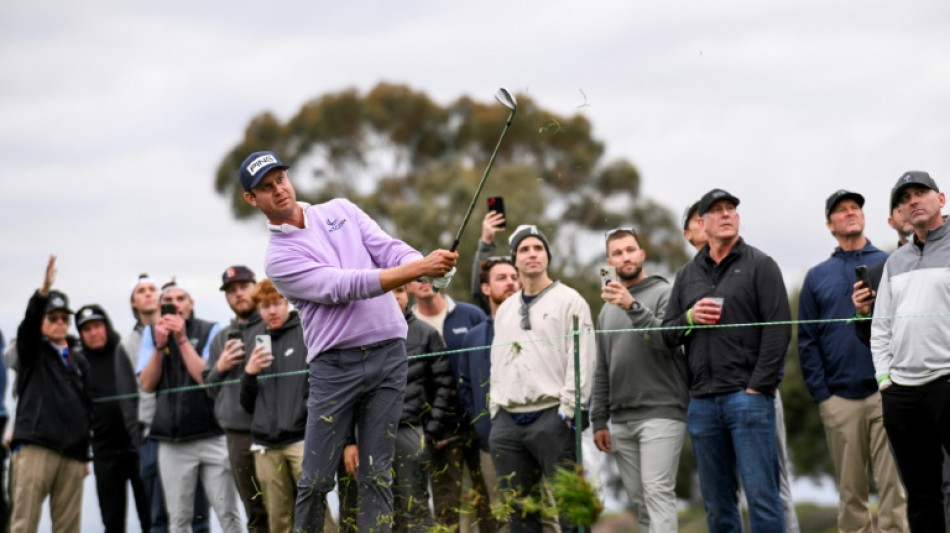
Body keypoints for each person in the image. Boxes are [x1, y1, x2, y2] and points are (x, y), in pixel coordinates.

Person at [238, 150, 457, 532]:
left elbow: (388, 248)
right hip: (335, 368)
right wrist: (419, 267)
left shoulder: (341, 209)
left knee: (377, 473)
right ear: (251, 199)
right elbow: (344, 285)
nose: (279, 190)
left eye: (280, 180)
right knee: (318, 478)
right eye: (266, 188)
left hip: (389, 354)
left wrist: (425, 267)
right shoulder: (279, 257)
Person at [663, 189, 791, 532]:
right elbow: (667, 334)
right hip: (702, 403)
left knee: (763, 499)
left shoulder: (761, 265)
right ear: (701, 224)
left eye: (731, 209)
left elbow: (778, 331)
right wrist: (689, 317)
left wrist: (758, 388)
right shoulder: (687, 276)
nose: (726, 214)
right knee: (718, 506)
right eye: (717, 210)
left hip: (746, 399)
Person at [797, 190, 907, 532]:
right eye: (841, 211)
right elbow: (807, 341)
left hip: (887, 392)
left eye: (855, 208)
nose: (850, 213)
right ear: (830, 225)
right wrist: (823, 396)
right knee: (851, 494)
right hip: (839, 399)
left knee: (895, 489)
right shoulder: (817, 276)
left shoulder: (891, 262)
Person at [489, 224, 596, 533]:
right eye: (524, 249)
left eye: (538, 248)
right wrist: (496, 411)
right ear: (515, 260)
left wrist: (569, 409)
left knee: (570, 509)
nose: (532, 254)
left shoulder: (570, 301)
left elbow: (584, 358)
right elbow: (498, 362)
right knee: (520, 515)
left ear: (547, 256)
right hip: (508, 423)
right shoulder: (506, 309)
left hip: (553, 417)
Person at [592, 228, 689, 532]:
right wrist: (598, 419)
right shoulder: (606, 311)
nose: (625, 257)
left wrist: (632, 306)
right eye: (618, 253)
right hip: (622, 420)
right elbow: (602, 367)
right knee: (642, 505)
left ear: (642, 255)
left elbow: (666, 339)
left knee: (657, 493)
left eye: (630, 249)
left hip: (661, 411)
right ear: (610, 261)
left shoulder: (666, 293)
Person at [871, 171, 950, 531]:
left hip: (946, 383)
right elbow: (880, 327)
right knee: (920, 495)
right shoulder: (894, 262)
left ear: (941, 199)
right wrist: (885, 379)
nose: (912, 201)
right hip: (901, 393)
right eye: (905, 199)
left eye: (920, 193)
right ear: (900, 214)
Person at [343, 284, 456, 532]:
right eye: (387, 291)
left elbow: (444, 384)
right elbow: (349, 394)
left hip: (411, 431)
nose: (395, 297)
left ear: (408, 295)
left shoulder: (426, 333)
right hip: (370, 436)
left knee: (416, 507)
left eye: (400, 291)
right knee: (377, 509)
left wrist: (431, 430)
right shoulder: (358, 336)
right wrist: (350, 440)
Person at [138, 280, 241, 532]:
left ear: (191, 303)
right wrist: (161, 346)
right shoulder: (151, 334)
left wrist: (182, 340)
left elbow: (206, 378)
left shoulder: (211, 330)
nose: (175, 304)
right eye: (168, 301)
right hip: (172, 443)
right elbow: (148, 384)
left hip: (212, 435)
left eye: (181, 298)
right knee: (179, 519)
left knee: (227, 512)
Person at [239, 279, 332, 533]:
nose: (271, 311)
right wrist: (249, 373)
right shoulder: (254, 341)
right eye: (265, 306)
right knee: (279, 521)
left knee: (316, 514)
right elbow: (246, 404)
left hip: (303, 441)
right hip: (265, 446)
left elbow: (323, 386)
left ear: (287, 302)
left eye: (277, 304)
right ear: (258, 309)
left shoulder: (306, 332)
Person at [9, 255, 91, 533]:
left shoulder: (78, 360)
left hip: (72, 455)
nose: (59, 322)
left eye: (63, 318)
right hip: (35, 448)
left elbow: (86, 407)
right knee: (24, 524)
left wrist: (84, 454)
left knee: (68, 529)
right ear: (43, 321)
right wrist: (43, 291)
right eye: (52, 318)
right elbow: (29, 324)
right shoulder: (32, 351)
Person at [405, 278, 493, 532]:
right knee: (447, 510)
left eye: (430, 277)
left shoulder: (471, 315)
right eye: (417, 279)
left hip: (479, 426)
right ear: (408, 286)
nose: (425, 283)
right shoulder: (405, 326)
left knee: (490, 504)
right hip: (438, 433)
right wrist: (429, 429)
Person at [125, 274, 211, 533]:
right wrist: (139, 434)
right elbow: (134, 390)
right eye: (143, 290)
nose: (149, 294)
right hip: (151, 433)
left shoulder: (191, 333)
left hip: (189, 430)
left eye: (153, 289)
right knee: (159, 513)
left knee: (195, 512)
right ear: (133, 302)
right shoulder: (133, 341)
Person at [458, 256, 523, 533]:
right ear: (485, 288)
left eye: (513, 277)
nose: (510, 282)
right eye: (501, 278)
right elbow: (465, 387)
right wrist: (482, 426)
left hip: (534, 438)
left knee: (544, 513)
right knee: (503, 519)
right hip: (491, 444)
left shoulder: (534, 326)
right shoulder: (472, 337)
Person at [203, 265, 269, 532]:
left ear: (255, 287)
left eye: (243, 287)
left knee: (284, 505)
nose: (238, 294)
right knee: (254, 510)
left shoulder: (271, 325)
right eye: (231, 291)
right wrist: (221, 366)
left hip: (272, 432)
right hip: (237, 437)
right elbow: (209, 388)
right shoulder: (220, 339)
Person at [76, 304, 151, 533]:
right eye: (86, 329)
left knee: (150, 517)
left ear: (106, 326)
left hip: (137, 447)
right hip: (104, 452)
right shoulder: (78, 362)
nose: (94, 333)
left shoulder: (124, 351)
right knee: (112, 522)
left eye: (97, 326)